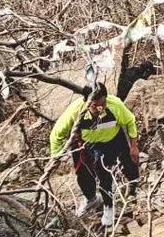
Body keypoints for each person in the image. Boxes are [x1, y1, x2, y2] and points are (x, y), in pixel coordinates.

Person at [49, 84, 141, 229]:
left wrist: (134, 146)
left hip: (112, 139)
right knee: (83, 174)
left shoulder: (115, 105)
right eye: (95, 106)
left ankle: (115, 201)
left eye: (102, 104)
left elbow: (130, 121)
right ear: (87, 103)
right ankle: (91, 199)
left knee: (114, 167)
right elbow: (56, 134)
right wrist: (56, 157)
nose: (100, 109)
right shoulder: (75, 110)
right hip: (86, 143)